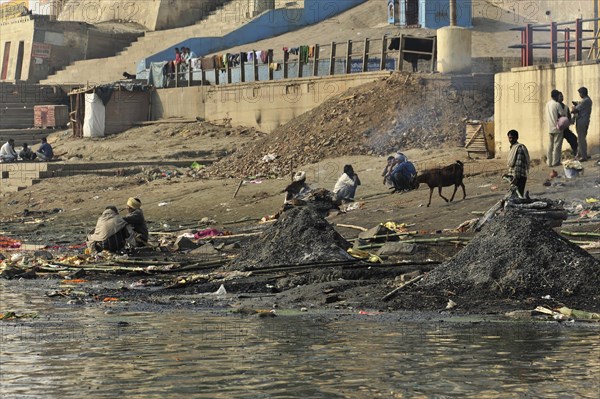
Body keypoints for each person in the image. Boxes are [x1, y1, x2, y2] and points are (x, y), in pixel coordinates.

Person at [505, 129, 530, 198]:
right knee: (514, 197)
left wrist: (515, 177)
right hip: (514, 177)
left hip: (519, 177)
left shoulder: (519, 148)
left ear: (517, 138)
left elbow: (518, 164)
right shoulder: (513, 147)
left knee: (518, 197)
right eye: (510, 138)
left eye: (513, 138)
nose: (511, 139)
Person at [571, 86, 593, 161]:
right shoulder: (588, 100)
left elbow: (575, 111)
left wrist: (574, 107)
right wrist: (577, 104)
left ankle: (583, 156)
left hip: (581, 122)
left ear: (582, 93)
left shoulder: (585, 101)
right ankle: (582, 154)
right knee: (582, 139)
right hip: (585, 121)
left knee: (581, 139)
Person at [545, 89, 563, 167]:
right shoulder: (557, 104)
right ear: (556, 96)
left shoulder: (547, 104)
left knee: (550, 146)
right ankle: (555, 162)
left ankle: (549, 162)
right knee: (557, 145)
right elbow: (562, 114)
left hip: (550, 127)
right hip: (557, 127)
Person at [557, 91, 578, 157]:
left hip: (565, 128)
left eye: (562, 96)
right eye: (560, 96)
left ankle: (575, 153)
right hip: (559, 129)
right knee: (558, 144)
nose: (562, 98)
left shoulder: (565, 107)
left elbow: (568, 116)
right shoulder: (556, 106)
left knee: (573, 139)